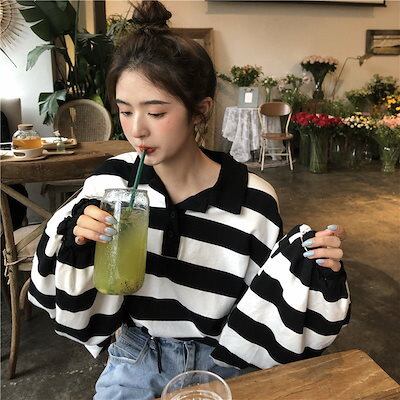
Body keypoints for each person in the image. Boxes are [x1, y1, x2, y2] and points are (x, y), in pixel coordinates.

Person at [28, 2, 349, 399]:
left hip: (225, 362)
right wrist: (78, 238)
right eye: (125, 111)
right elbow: (57, 283)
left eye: (156, 113)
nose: (136, 130)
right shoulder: (111, 184)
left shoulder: (253, 200)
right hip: (136, 357)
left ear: (200, 111)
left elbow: (265, 304)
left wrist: (316, 267)